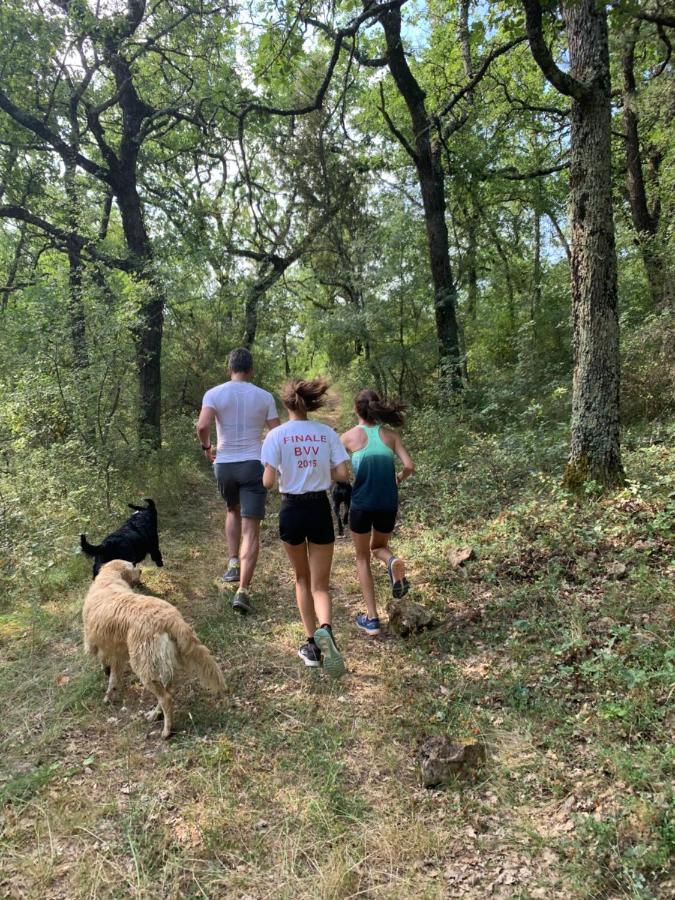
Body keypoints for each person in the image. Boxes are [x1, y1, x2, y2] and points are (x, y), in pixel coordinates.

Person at [261, 378, 350, 677]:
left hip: (291, 508)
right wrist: (318, 468)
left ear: (286, 404)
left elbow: (268, 482)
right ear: (309, 404)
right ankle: (328, 630)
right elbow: (342, 474)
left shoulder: (276, 436)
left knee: (302, 578)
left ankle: (312, 644)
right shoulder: (326, 433)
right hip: (319, 508)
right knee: (321, 585)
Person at [196, 348, 280, 614]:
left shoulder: (214, 393)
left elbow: (202, 426)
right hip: (254, 463)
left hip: (225, 465)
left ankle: (233, 561)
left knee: (232, 510)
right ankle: (243, 590)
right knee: (251, 528)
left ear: (228, 368)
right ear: (251, 370)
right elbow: (276, 433)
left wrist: (207, 447)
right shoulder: (264, 396)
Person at [340, 389, 415, 636]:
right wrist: (398, 478)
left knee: (362, 557)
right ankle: (392, 562)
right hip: (387, 504)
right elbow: (409, 466)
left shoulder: (348, 438)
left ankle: (372, 619)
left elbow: (339, 472)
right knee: (378, 548)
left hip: (361, 505)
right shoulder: (390, 436)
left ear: (356, 409)